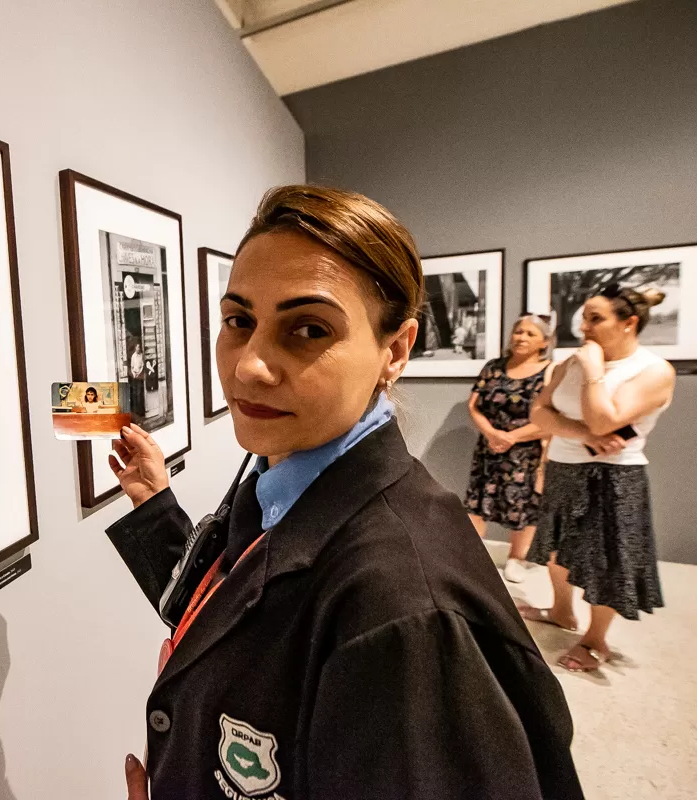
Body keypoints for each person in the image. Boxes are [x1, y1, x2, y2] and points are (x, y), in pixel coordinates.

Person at [106, 185, 581, 799]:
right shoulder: (284, 478)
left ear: (396, 350)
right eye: (238, 320)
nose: (249, 365)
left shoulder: (403, 608)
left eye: (307, 328)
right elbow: (244, 614)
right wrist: (155, 505)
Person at [523, 283, 674, 673]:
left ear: (629, 323)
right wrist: (586, 433)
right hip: (562, 465)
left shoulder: (653, 370)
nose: (584, 328)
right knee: (556, 550)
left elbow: (605, 418)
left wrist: (592, 370)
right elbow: (539, 414)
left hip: (614, 475)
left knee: (605, 561)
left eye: (596, 319)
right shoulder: (566, 364)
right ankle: (560, 611)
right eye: (584, 318)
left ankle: (595, 638)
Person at [465, 314, 556, 583]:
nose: (521, 338)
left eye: (530, 334)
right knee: (477, 501)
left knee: (523, 505)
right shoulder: (493, 367)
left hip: (526, 452)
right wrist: (493, 434)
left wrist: (513, 437)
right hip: (489, 447)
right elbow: (474, 405)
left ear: (545, 342)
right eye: (518, 332)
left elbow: (553, 417)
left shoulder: (550, 370)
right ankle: (470, 554)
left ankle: (517, 557)